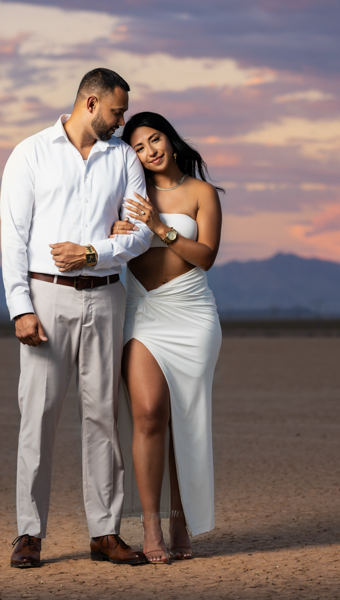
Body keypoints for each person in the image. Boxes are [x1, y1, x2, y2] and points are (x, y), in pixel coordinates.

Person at [0, 68, 155, 569]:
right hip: (46, 299)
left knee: (103, 418)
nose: (122, 120)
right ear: (90, 103)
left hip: (108, 297)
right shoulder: (31, 153)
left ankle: (104, 533)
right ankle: (29, 534)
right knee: (38, 417)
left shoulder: (124, 158)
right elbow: (13, 238)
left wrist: (92, 252)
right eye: (117, 110)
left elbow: (140, 237)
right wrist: (20, 307)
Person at [110, 112, 223, 564]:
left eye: (154, 139)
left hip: (192, 315)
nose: (149, 150)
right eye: (137, 146)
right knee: (150, 414)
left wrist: (161, 228)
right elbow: (106, 241)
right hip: (141, 312)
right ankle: (152, 526)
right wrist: (114, 231)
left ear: (170, 141)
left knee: (187, 420)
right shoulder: (127, 194)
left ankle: (182, 520)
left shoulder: (202, 193)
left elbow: (207, 257)